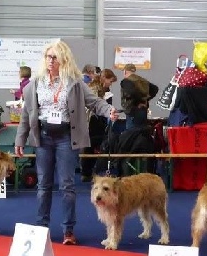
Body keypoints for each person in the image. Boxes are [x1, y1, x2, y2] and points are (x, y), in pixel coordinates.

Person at [14, 41, 118, 245]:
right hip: (43, 137)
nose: (50, 61)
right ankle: (42, 228)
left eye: (55, 57)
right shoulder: (35, 83)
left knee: (67, 186)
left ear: (64, 60)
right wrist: (20, 139)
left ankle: (68, 230)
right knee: (43, 185)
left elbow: (94, 102)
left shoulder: (75, 82)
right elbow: (27, 113)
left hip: (66, 137)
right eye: (48, 57)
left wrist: (109, 111)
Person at [81, 68, 117, 182]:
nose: (110, 84)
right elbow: (91, 106)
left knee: (97, 146)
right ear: (104, 78)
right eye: (110, 81)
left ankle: (93, 171)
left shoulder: (106, 90)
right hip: (92, 120)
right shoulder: (93, 88)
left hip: (99, 121)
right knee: (90, 146)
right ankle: (87, 172)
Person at [120, 64, 159, 130]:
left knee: (131, 133)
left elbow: (132, 93)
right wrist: (145, 100)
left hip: (132, 110)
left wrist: (138, 102)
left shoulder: (126, 81)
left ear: (125, 71)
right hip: (143, 109)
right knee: (141, 131)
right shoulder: (142, 80)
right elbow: (155, 89)